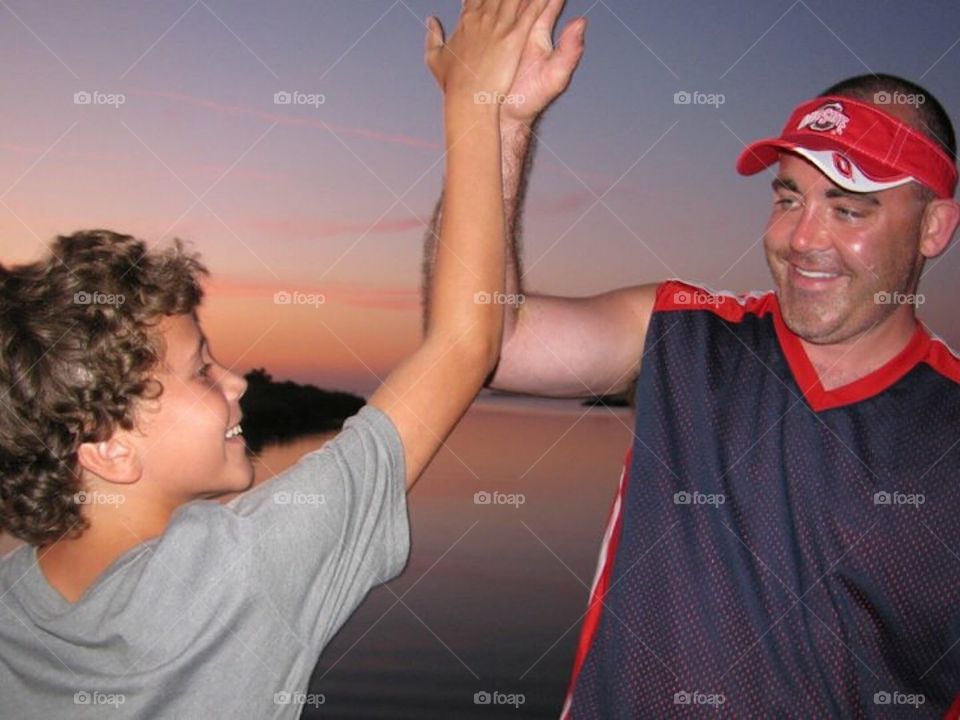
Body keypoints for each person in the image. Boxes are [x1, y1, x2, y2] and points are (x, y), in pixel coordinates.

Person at [0, 1, 549, 716]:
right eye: (200, 370)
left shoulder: (15, 606)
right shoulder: (239, 570)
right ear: (107, 448)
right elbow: (466, 342)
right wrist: (474, 103)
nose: (237, 381)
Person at [420, 8, 960, 715]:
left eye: (849, 209)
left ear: (933, 227)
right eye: (788, 197)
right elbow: (490, 341)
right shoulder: (688, 337)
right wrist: (501, 121)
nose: (802, 239)